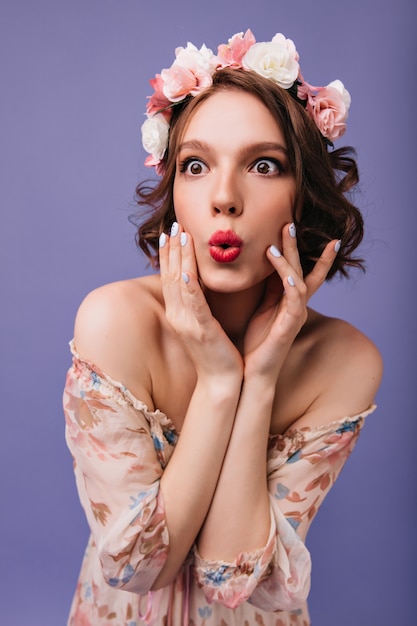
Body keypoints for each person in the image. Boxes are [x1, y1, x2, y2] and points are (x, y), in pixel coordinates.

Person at [63, 29, 383, 626]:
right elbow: (140, 568)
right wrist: (217, 379)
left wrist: (257, 377)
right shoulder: (115, 323)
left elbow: (230, 577)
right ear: (174, 192)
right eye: (196, 165)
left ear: (303, 194)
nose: (225, 198)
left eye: (263, 165)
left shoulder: (344, 360)